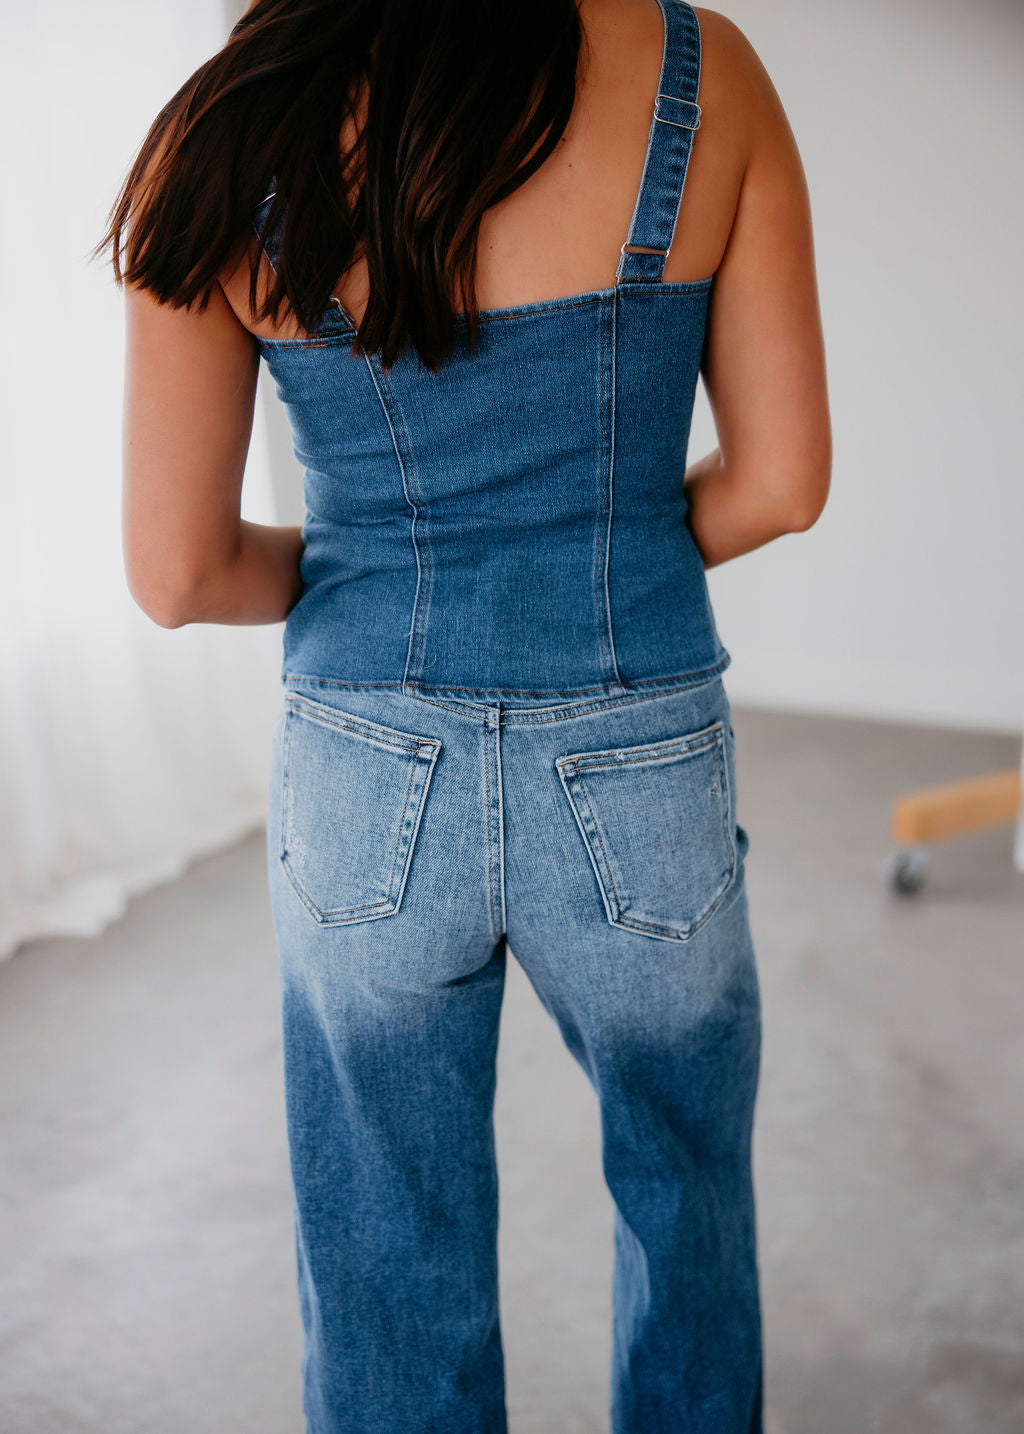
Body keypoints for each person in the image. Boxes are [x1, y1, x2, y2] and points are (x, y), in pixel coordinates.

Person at [98, 0, 830, 1428]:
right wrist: (602, 553)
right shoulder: (702, 71)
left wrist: (369, 571)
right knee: (685, 1194)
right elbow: (783, 481)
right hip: (639, 748)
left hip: (367, 770)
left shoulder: (223, 126)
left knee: (386, 1244)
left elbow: (177, 572)